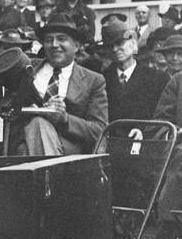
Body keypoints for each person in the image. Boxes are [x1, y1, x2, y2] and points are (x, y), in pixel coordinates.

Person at [15, 14, 109, 157]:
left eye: (61, 39)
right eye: (48, 40)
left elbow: (99, 130)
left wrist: (65, 119)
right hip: (25, 139)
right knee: (37, 124)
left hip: (68, 151)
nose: (54, 45)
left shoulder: (93, 80)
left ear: (76, 46)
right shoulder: (27, 70)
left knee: (37, 127)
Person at [103, 21, 168, 122]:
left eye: (120, 43)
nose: (115, 49)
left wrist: (143, 131)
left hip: (147, 136)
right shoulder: (101, 79)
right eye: (109, 46)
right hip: (110, 136)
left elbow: (162, 116)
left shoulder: (157, 78)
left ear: (133, 44)